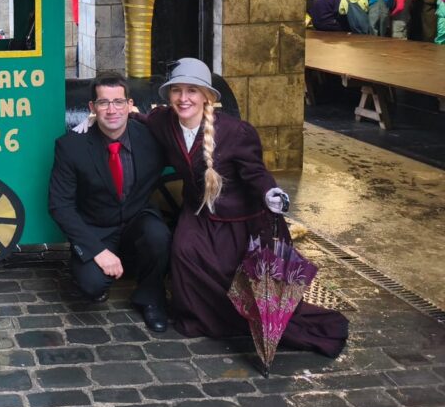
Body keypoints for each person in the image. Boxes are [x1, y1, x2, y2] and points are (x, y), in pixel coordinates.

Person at [139, 58, 348, 356]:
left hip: (238, 217)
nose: (183, 98)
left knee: (230, 269)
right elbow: (141, 119)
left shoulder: (236, 132)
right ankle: (201, 318)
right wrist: (100, 118)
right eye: (177, 90)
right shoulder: (164, 122)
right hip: (198, 212)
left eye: (192, 90)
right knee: (184, 252)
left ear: (206, 96)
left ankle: (242, 320)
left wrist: (270, 193)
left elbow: (256, 172)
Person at [48, 75, 171, 333]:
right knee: (91, 286)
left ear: (130, 105)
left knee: (158, 235)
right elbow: (60, 206)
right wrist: (97, 251)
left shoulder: (152, 138)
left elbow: (186, 146)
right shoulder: (71, 147)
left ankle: (150, 298)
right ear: (92, 107)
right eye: (104, 103)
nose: (112, 110)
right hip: (97, 229)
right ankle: (106, 268)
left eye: (118, 102)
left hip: (137, 220)